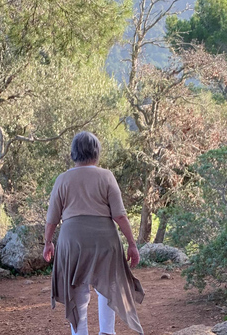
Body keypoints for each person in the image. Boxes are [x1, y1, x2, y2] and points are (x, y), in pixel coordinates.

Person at [44, 131, 144, 335]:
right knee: (108, 285)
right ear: (96, 152)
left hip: (72, 240)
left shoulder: (62, 179)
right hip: (104, 239)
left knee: (77, 289)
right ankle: (107, 332)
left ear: (73, 153)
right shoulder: (106, 176)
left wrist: (48, 243)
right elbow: (120, 216)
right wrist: (132, 244)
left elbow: (52, 219)